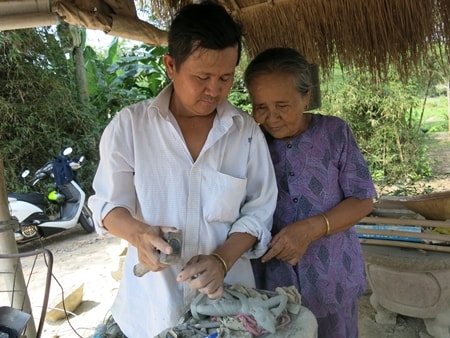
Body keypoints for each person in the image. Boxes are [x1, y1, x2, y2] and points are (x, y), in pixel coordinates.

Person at [88, 2, 277, 337]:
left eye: (225, 77)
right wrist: (138, 235)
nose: (214, 90)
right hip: (151, 310)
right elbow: (107, 205)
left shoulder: (244, 132)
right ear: (171, 65)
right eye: (202, 77)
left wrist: (221, 260)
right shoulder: (130, 127)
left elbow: (259, 209)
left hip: (228, 308)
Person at [244, 47, 377, 338]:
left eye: (283, 105)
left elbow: (363, 198)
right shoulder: (248, 142)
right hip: (272, 285)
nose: (272, 117)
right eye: (261, 107)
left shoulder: (334, 133)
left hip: (333, 278)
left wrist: (310, 229)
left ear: (306, 96)